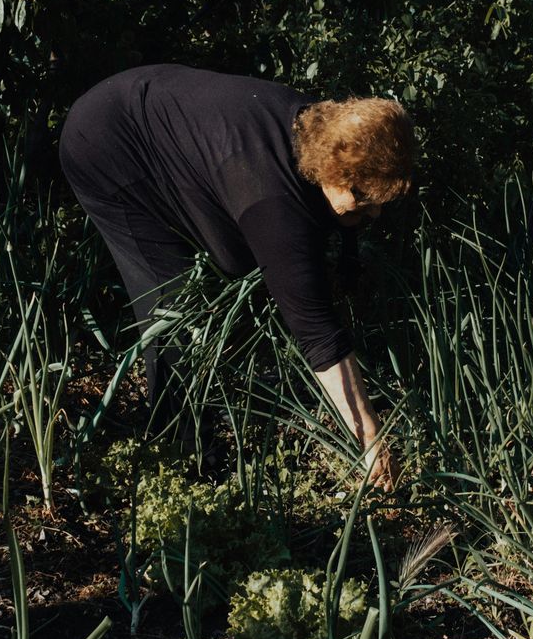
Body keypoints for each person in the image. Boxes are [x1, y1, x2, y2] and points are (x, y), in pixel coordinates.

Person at [58, 64, 413, 489]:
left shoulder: (318, 131)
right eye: (363, 200)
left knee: (261, 257)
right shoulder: (272, 201)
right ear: (334, 170)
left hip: (163, 113)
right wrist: (371, 441)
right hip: (109, 143)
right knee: (170, 305)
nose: (374, 214)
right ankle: (183, 461)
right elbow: (317, 333)